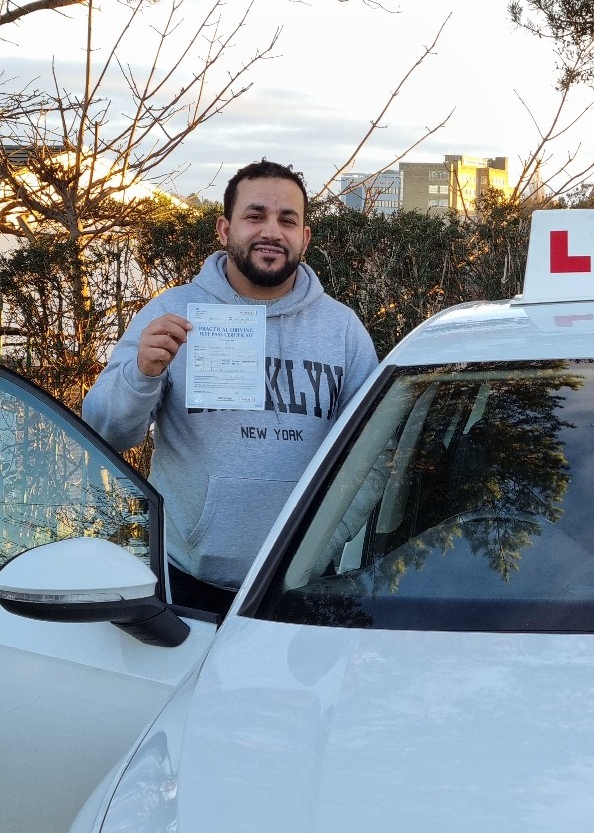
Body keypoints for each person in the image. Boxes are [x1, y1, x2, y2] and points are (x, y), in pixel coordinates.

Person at [83, 158, 378, 615]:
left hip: (305, 581)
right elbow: (105, 434)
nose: (272, 232)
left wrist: (324, 541)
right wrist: (141, 374)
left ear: (305, 237)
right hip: (188, 580)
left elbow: (374, 456)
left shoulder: (342, 330)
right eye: (255, 216)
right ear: (224, 229)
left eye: (288, 220)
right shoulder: (173, 311)